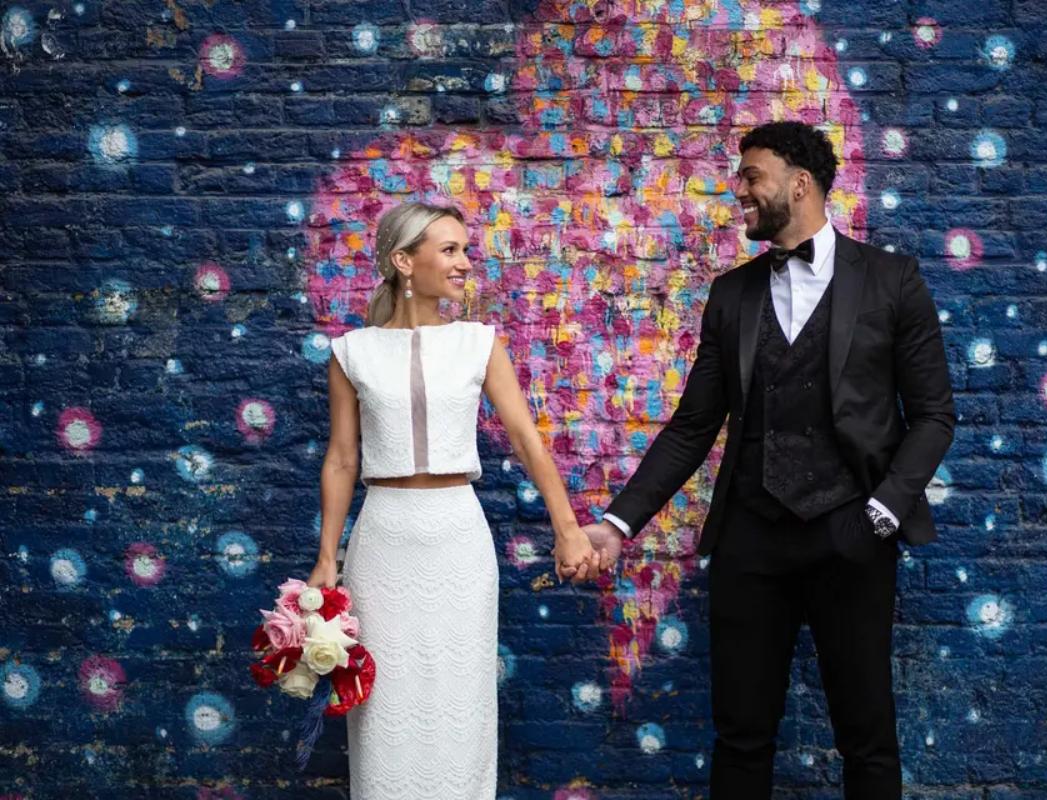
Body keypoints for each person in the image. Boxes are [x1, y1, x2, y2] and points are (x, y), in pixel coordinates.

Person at [582, 121, 956, 799]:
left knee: (866, 736)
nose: (740, 191)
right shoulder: (732, 295)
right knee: (742, 735)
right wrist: (617, 524)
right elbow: (694, 426)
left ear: (800, 184)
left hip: (852, 534)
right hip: (750, 541)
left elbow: (934, 416)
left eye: (752, 176)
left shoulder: (892, 280)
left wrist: (880, 512)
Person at [307, 201, 600, 799]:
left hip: (458, 539)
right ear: (403, 261)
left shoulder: (479, 343)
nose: (465, 262)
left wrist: (567, 528)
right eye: (450, 250)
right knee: (382, 706)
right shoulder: (351, 352)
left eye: (466, 250)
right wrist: (326, 558)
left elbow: (524, 437)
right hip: (383, 541)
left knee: (460, 705)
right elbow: (342, 458)